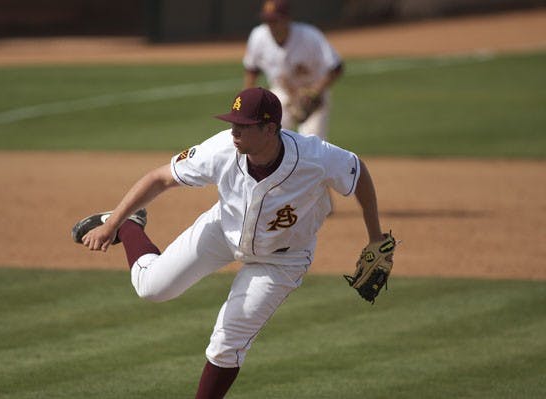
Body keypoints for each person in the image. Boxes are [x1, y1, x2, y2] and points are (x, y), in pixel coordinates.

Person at [72, 87, 388, 399]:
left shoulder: (315, 156)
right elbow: (160, 178)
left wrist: (375, 238)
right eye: (232, 123)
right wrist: (112, 224)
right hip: (223, 230)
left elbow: (358, 172)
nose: (234, 132)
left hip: (280, 261)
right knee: (151, 288)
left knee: (227, 344)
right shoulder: (222, 149)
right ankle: (129, 225)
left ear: (270, 129)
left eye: (243, 126)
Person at [243, 0, 343, 141]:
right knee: (268, 137)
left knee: (312, 144)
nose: (270, 25)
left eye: (274, 20)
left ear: (287, 19)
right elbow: (251, 69)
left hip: (312, 95)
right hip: (282, 93)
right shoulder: (258, 36)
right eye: (267, 20)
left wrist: (315, 91)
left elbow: (336, 66)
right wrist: (249, 101)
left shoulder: (309, 36)